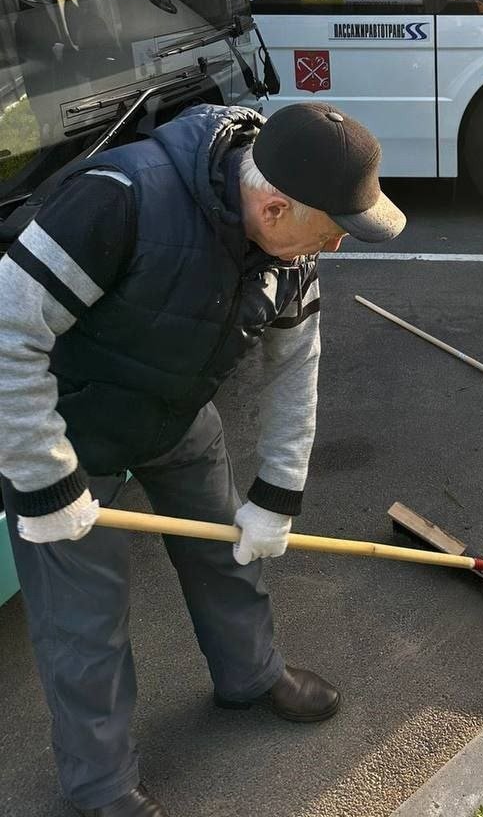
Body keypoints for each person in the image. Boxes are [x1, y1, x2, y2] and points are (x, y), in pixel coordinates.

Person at [0, 101, 405, 817]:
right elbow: (5, 337)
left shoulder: (292, 253)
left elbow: (293, 365)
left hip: (176, 415)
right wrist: (46, 481)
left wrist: (278, 492)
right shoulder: (119, 200)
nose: (339, 247)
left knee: (231, 555)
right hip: (71, 430)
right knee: (84, 622)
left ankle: (250, 676)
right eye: (336, 230)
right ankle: (100, 791)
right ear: (276, 207)